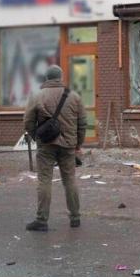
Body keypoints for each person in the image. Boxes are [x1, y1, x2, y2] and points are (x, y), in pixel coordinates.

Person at [24, 65, 87, 231]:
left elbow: (28, 121)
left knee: (44, 181)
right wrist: (78, 144)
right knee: (70, 180)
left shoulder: (37, 96)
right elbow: (82, 123)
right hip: (68, 146)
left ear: (47, 78)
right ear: (61, 77)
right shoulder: (74, 96)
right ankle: (75, 217)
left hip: (46, 145)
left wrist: (37, 137)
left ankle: (41, 220)